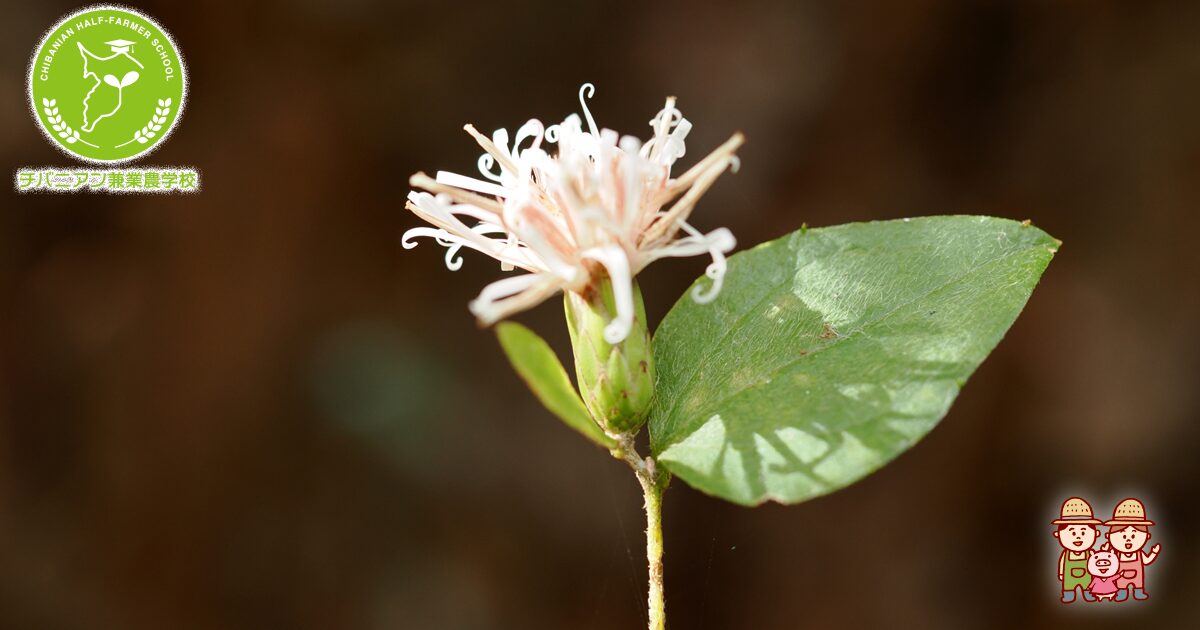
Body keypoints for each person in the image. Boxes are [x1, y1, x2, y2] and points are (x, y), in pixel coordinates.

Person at [1101, 498, 1161, 601]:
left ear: (1147, 536)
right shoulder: (1116, 554)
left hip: (1137, 580)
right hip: (1121, 580)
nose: (1128, 540)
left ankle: (1138, 592)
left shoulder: (1139, 553)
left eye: (1133, 536)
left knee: (1138, 585)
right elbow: (1110, 561)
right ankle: (1122, 592)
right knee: (1122, 586)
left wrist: (1154, 552)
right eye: (1123, 536)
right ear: (1109, 536)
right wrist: (1106, 552)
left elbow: (1146, 561)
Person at [1051, 497, 1101, 603]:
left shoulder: (1090, 553)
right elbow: (1062, 563)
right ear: (1058, 534)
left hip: (1087, 578)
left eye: (1083, 532)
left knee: (1087, 586)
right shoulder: (1065, 554)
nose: (1078, 537)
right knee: (1069, 586)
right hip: (1069, 578)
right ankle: (1068, 594)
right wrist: (1061, 574)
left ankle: (1088, 594)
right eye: (1072, 533)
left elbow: (1095, 563)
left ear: (1096, 534)